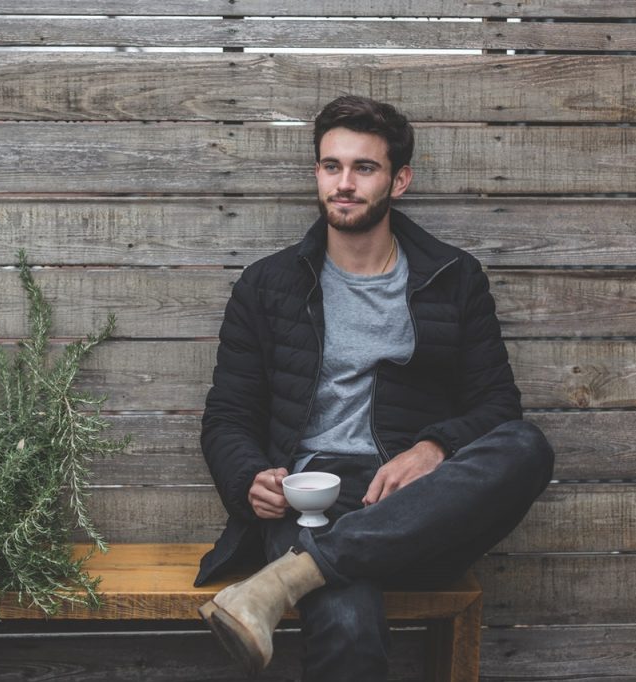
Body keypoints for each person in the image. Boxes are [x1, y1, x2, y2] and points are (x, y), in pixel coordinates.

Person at [195, 96, 555, 680]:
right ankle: (307, 565)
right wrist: (248, 479)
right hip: (310, 502)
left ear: (399, 180)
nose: (344, 183)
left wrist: (432, 449)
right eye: (331, 166)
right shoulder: (267, 285)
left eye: (364, 168)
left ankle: (288, 576)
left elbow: (498, 407)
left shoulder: (453, 277)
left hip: (417, 508)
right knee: (348, 625)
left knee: (527, 446)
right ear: (317, 173)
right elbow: (228, 416)